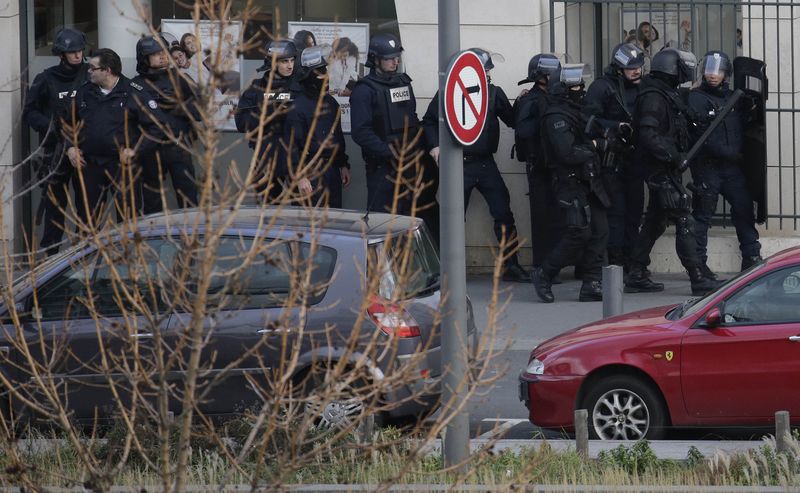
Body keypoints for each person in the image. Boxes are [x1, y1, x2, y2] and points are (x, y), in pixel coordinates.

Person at [422, 48, 529, 282]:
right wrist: (434, 146)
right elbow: (429, 122)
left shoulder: (493, 93)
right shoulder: (450, 92)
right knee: (451, 218)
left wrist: (523, 101)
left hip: (485, 164)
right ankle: (443, 270)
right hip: (458, 164)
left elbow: (512, 119)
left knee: (503, 213)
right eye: (486, 70)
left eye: (488, 71)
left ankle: (510, 265)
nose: (489, 75)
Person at [626, 48, 722, 296]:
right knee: (683, 217)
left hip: (665, 167)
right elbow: (648, 135)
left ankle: (635, 271)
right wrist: (673, 156)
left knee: (655, 221)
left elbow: (680, 122)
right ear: (672, 69)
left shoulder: (666, 93)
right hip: (659, 169)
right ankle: (697, 275)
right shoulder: (654, 97)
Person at [531, 64, 609, 303]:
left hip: (589, 180)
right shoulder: (556, 116)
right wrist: (595, 147)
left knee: (601, 230)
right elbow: (567, 153)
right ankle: (544, 274)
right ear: (562, 89)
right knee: (579, 233)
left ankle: (591, 283)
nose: (581, 89)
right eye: (575, 86)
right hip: (570, 183)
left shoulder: (577, 110)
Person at [350, 32, 439, 240]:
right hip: (384, 169)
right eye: (389, 58)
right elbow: (361, 132)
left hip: (410, 167)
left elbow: (412, 120)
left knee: (415, 221)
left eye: (396, 57)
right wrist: (389, 152)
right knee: (384, 225)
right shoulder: (365, 91)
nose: (395, 61)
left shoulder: (403, 84)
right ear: (375, 59)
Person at [65, 48, 163, 224]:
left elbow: (156, 128)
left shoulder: (134, 93)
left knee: (128, 218)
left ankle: (127, 252)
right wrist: (70, 147)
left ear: (107, 70)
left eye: (92, 68)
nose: (88, 71)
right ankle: (89, 252)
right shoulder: (84, 92)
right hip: (90, 164)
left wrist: (135, 150)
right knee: (87, 220)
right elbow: (68, 125)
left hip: (122, 166)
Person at [688, 50, 762, 272]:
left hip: (732, 169)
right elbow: (702, 135)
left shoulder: (735, 97)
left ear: (726, 74)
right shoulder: (696, 98)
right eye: (710, 70)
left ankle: (751, 258)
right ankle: (698, 267)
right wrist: (730, 154)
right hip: (707, 168)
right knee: (702, 217)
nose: (713, 75)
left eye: (718, 71)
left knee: (744, 209)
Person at [22, 27, 88, 255]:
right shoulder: (46, 79)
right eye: (72, 52)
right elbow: (29, 112)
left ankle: (86, 255)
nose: (78, 55)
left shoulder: (90, 74)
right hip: (55, 151)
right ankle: (51, 259)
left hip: (84, 149)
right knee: (55, 207)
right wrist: (53, 129)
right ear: (62, 54)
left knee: (86, 206)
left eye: (80, 50)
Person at [583, 43, 644, 270]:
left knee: (635, 212)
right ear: (619, 69)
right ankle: (616, 263)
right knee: (616, 213)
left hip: (636, 159)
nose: (636, 71)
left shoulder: (642, 87)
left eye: (639, 66)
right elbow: (587, 121)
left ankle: (631, 260)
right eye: (631, 68)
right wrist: (616, 126)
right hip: (611, 161)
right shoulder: (602, 87)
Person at [132, 35, 200, 215]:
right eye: (155, 54)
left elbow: (201, 110)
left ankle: (193, 240)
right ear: (144, 58)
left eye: (163, 52)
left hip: (178, 146)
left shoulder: (180, 79)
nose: (162, 56)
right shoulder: (136, 85)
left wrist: (179, 107)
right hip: (150, 150)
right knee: (152, 202)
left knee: (188, 200)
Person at [513, 53, 563, 272]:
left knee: (560, 216)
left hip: (557, 165)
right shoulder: (530, 100)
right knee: (543, 218)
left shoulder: (554, 96)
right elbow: (522, 130)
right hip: (539, 166)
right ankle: (543, 266)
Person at [286, 45, 351, 207]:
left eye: (326, 71)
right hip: (309, 174)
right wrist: (299, 176)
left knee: (333, 222)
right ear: (310, 74)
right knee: (308, 226)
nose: (326, 76)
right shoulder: (297, 105)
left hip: (331, 171)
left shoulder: (331, 102)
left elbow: (337, 138)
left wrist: (343, 164)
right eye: (321, 71)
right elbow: (291, 146)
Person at [235, 39, 297, 203]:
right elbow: (241, 123)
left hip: (296, 159)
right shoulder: (256, 89)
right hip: (266, 159)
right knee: (267, 212)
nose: (290, 66)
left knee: (303, 214)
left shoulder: (300, 87)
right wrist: (267, 111)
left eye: (292, 60)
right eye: (284, 62)